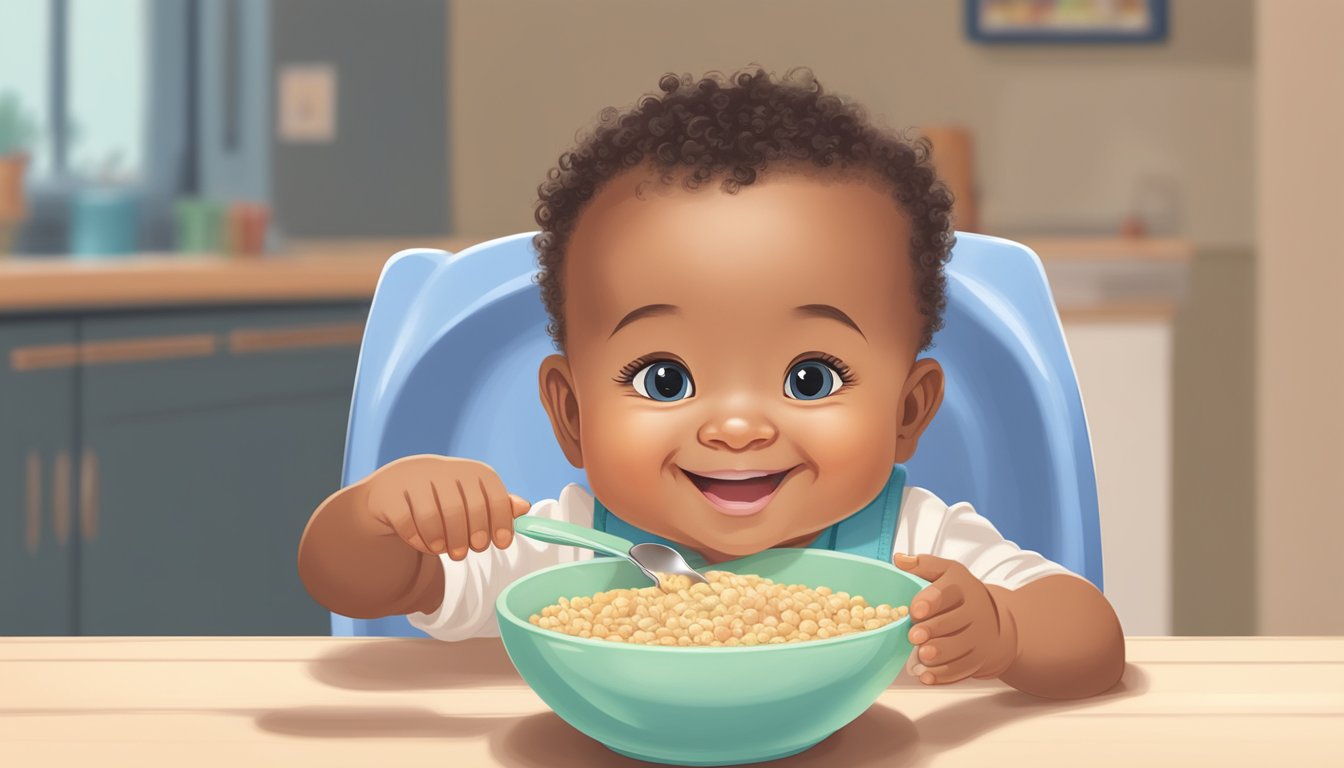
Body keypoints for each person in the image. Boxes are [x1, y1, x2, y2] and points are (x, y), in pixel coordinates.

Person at [298, 67, 1124, 700]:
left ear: (908, 413)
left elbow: (1093, 640)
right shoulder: (569, 549)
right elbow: (351, 579)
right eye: (665, 379)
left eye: (810, 377)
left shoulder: (917, 545)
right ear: (571, 414)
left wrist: (1005, 629)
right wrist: (381, 516)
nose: (735, 427)